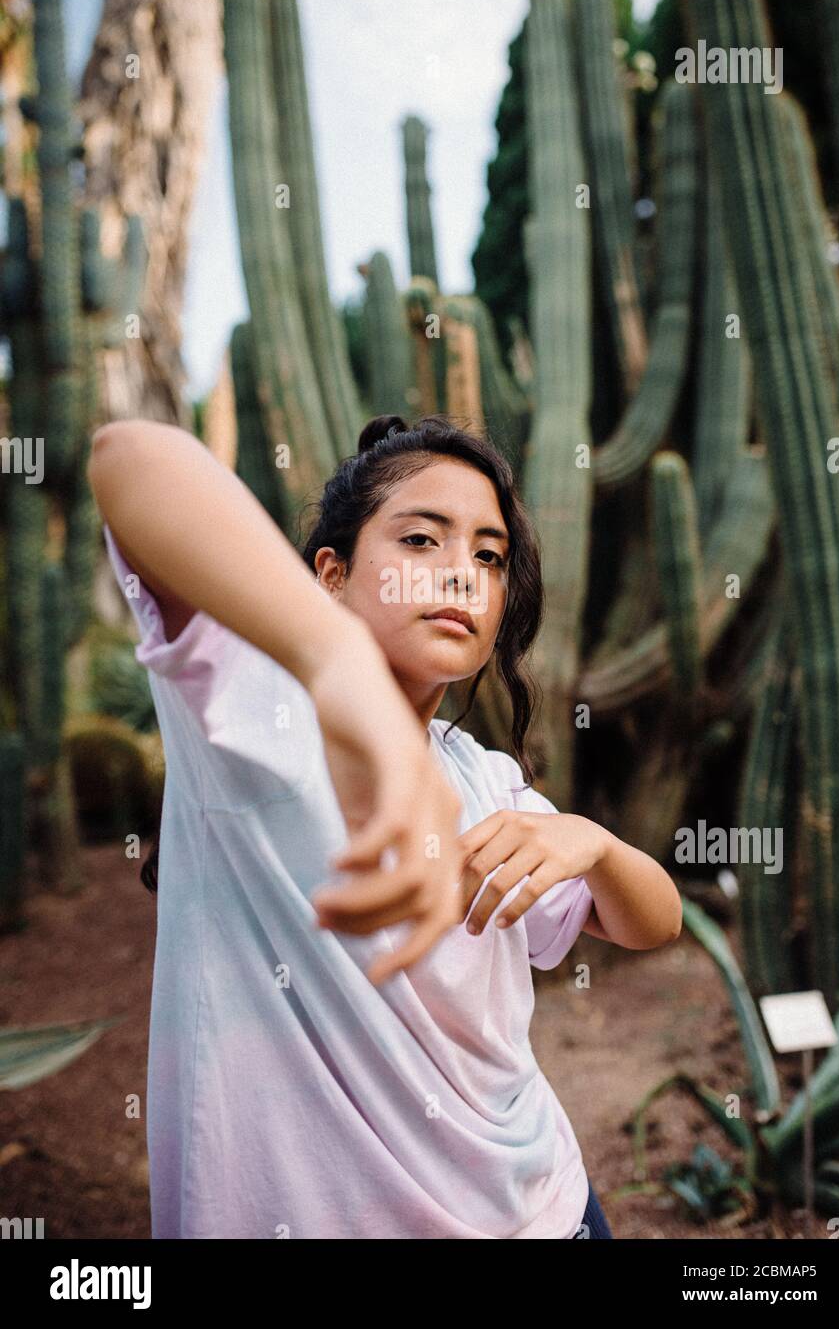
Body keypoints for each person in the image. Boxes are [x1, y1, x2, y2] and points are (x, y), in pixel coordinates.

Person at [87, 412, 681, 1239]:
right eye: (419, 541)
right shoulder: (251, 707)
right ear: (329, 575)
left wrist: (598, 846)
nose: (460, 575)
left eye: (487, 556)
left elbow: (653, 921)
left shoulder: (482, 775)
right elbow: (128, 457)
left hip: (550, 1212)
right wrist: (340, 668)